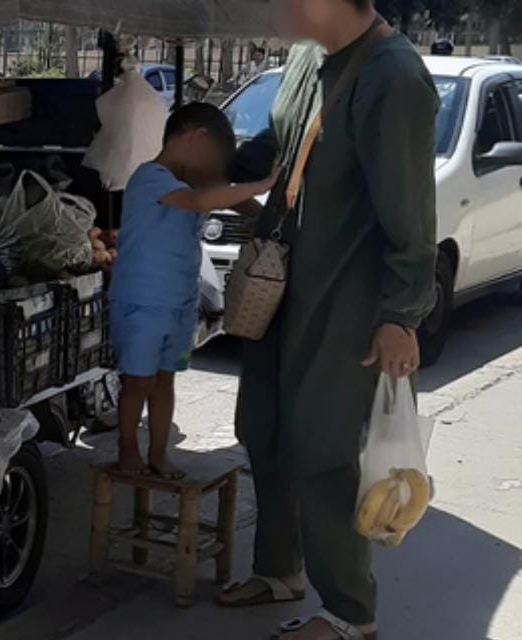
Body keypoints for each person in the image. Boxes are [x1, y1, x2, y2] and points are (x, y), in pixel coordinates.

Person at [216, 0, 438, 638]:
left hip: (346, 300)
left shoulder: (394, 77)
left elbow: (411, 214)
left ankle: (348, 613)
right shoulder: (304, 59)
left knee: (324, 450)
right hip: (281, 285)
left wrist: (400, 315)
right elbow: (281, 149)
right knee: (264, 428)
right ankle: (278, 570)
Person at [110, 103, 275, 478]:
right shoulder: (150, 177)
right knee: (139, 381)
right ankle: (127, 448)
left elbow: (230, 196)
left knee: (165, 379)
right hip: (142, 302)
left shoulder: (194, 184)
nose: (215, 174)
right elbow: (201, 201)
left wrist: (266, 214)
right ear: (193, 139)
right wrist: (263, 186)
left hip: (180, 302)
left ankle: (158, 452)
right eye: (214, 161)